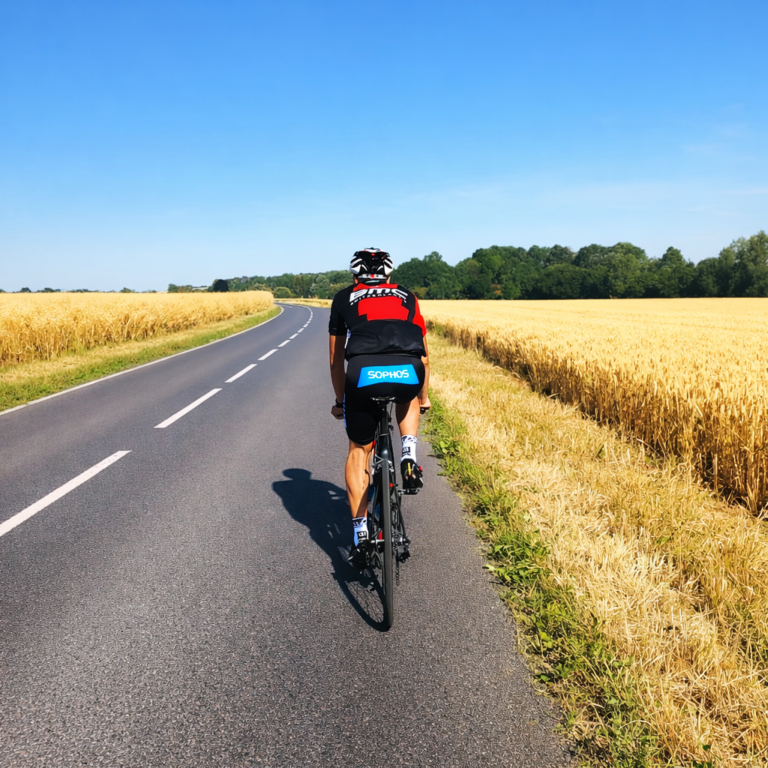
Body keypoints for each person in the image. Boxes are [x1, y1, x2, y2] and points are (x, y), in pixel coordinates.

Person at [328, 248, 431, 564]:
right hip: (408, 370)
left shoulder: (343, 298)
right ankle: (409, 454)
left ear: (354, 275)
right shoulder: (407, 296)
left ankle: (360, 536)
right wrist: (424, 397)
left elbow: (335, 359)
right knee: (408, 396)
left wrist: (340, 401)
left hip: (363, 374)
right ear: (388, 275)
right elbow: (424, 355)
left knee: (359, 451)